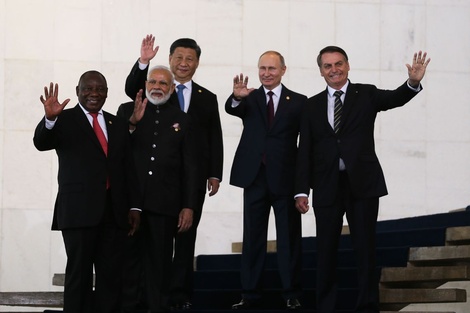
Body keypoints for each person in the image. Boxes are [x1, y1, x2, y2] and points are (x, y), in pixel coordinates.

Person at [295, 46, 431, 313]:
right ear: (321, 70)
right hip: (326, 185)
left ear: (347, 65)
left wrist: (413, 82)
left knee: (365, 249)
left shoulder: (366, 94)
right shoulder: (310, 105)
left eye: (338, 64)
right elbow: (304, 150)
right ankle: (326, 306)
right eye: (327, 66)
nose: (334, 70)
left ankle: (367, 305)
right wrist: (301, 190)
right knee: (325, 251)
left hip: (363, 184)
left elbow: (395, 98)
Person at [124, 35, 224, 310]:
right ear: (169, 60)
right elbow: (132, 88)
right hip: (147, 187)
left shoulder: (206, 98)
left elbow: (214, 136)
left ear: (197, 63)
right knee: (146, 247)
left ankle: (179, 294)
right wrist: (143, 61)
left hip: (188, 180)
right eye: (178, 57)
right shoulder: (142, 98)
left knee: (183, 237)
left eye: (189, 58)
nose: (183, 63)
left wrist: (214, 173)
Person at [33, 71, 141, 313]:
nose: (94, 93)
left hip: (113, 214)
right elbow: (41, 142)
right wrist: (49, 119)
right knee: (78, 276)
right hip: (78, 212)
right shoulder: (64, 119)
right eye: (88, 88)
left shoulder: (117, 123)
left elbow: (127, 168)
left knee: (110, 278)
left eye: (100, 89)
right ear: (78, 91)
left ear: (106, 93)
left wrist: (134, 206)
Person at [226, 51, 306, 310]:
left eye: (272, 68)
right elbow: (231, 108)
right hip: (255, 178)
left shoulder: (299, 102)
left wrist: (302, 187)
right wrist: (236, 98)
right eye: (262, 68)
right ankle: (249, 294)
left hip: (285, 179)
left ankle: (291, 293)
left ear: (283, 70)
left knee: (289, 239)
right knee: (252, 238)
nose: (266, 73)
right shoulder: (249, 97)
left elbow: (305, 146)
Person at [117, 65, 198, 312]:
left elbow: (190, 168)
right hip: (130, 203)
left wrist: (188, 205)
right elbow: (116, 152)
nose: (157, 87)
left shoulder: (182, 120)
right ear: (146, 84)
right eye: (153, 82)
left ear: (172, 88)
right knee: (128, 262)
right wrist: (131, 124)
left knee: (160, 264)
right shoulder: (125, 111)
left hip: (165, 204)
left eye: (163, 83)